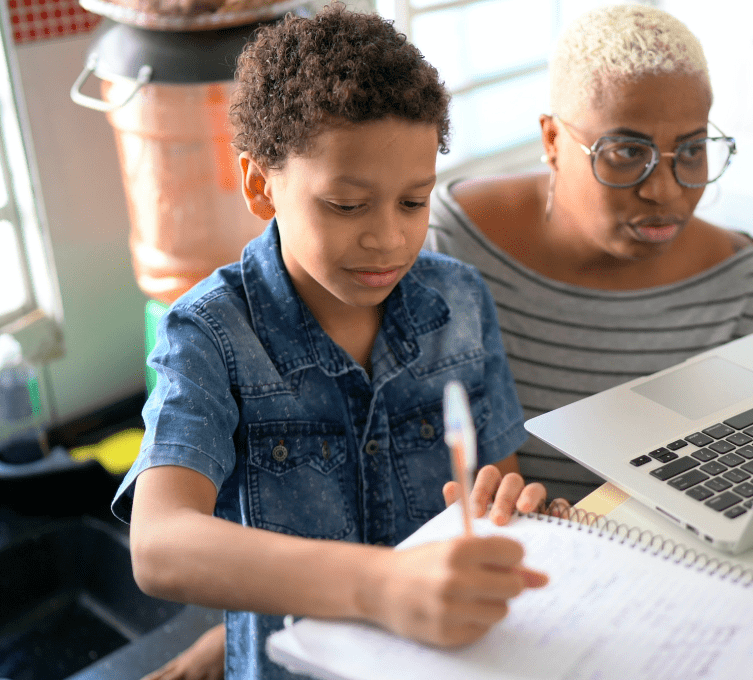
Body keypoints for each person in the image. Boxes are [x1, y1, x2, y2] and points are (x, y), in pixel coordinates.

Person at [113, 5, 555, 680]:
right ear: (261, 185)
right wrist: (378, 584)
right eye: (347, 206)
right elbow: (159, 544)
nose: (387, 237)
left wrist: (505, 503)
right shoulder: (208, 334)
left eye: (413, 202)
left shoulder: (461, 302)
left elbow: (502, 477)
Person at [426, 3, 753, 504]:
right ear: (552, 140)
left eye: (690, 151)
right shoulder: (450, 245)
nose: (665, 191)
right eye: (626, 152)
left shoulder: (746, 288)